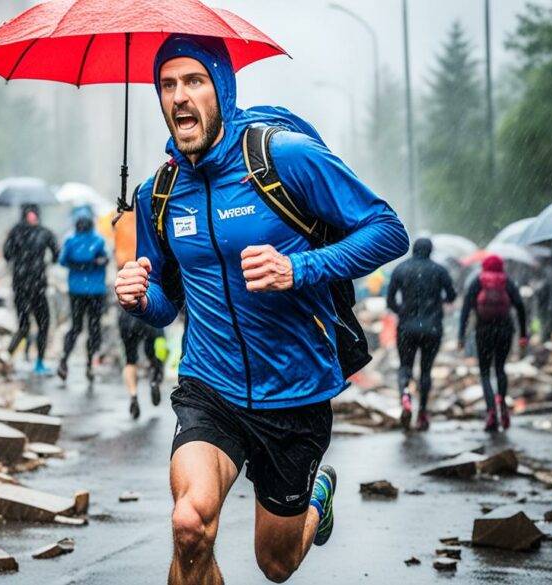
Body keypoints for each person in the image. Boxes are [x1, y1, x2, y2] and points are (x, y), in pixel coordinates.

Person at [114, 36, 408, 584]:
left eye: (194, 81)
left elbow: (389, 232)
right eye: (168, 84)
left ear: (221, 90)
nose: (179, 96)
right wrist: (137, 294)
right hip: (210, 386)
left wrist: (298, 269)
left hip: (294, 391)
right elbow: (165, 305)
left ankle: (317, 499)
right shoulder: (158, 191)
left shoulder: (283, 158)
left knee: (275, 564)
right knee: (189, 525)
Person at [386, 237, 457, 431]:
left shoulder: (400, 269)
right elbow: (452, 296)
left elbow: (390, 300)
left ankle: (406, 397)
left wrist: (402, 311)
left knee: (405, 367)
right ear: (430, 250)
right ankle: (423, 413)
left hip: (406, 328)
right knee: (426, 370)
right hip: (432, 328)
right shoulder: (440, 270)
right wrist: (437, 299)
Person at [458, 254, 528, 432]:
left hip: (483, 331)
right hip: (505, 330)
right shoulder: (507, 281)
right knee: (500, 369)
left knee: (484, 372)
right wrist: (523, 334)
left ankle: (491, 412)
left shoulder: (478, 281)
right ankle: (502, 403)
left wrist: (461, 335)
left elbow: (466, 308)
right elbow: (520, 306)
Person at [114, 208, 166, 419]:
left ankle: (134, 395)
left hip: (128, 305)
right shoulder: (154, 226)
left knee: (130, 358)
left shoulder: (118, 226)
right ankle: (155, 376)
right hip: (149, 302)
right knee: (158, 348)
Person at [3, 203, 59, 375]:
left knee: (24, 325)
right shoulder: (44, 232)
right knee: (43, 323)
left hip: (21, 285)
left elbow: (7, 255)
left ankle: (7, 357)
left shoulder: (15, 232)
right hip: (37, 285)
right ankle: (38, 362)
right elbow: (57, 254)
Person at [57, 213, 109, 383]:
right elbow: (106, 259)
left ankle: (64, 360)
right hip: (96, 291)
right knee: (94, 328)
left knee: (76, 327)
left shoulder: (71, 242)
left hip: (77, 291)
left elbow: (62, 261)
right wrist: (95, 262)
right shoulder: (99, 241)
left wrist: (77, 265)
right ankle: (89, 365)